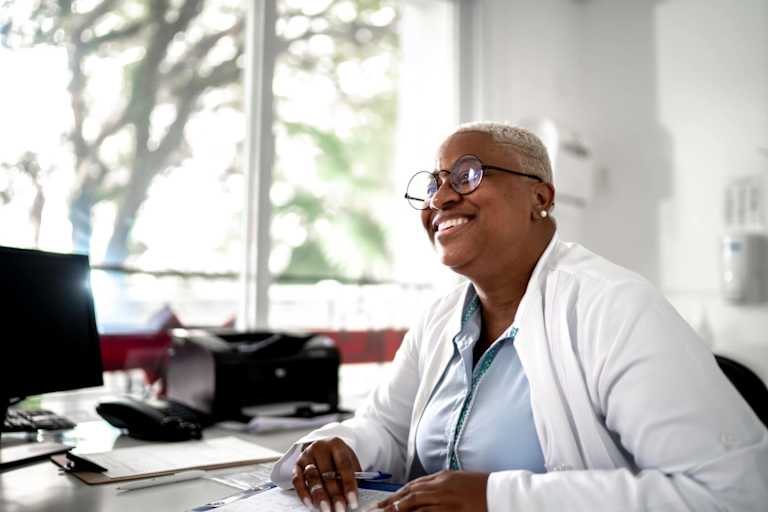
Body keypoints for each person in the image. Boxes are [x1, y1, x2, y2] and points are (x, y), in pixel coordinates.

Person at [270, 122, 768, 512]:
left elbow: (733, 493)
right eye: (434, 184)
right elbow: (387, 426)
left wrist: (497, 499)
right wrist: (342, 445)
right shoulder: (441, 318)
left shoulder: (613, 307)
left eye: (467, 175)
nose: (440, 199)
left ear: (540, 198)